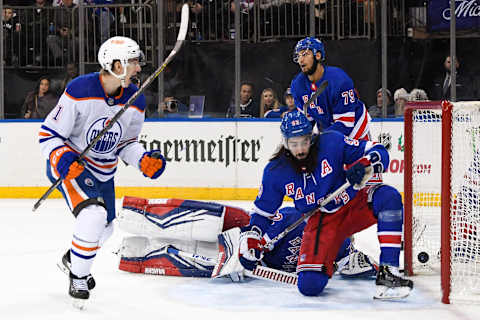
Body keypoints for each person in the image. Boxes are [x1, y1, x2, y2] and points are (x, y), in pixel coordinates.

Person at [38, 36, 166, 309]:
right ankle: (79, 276)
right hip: (74, 167)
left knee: (105, 228)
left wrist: (142, 159)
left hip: (104, 172)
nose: (137, 68)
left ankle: (74, 259)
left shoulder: (136, 100)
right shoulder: (80, 89)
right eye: (132, 62)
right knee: (93, 215)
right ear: (116, 64)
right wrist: (63, 159)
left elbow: (126, 143)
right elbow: (48, 134)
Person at [238, 111, 413, 299]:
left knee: (389, 197)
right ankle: (340, 254)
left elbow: (378, 149)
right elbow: (263, 213)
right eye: (294, 144)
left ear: (311, 137)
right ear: (285, 142)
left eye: (304, 141)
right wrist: (252, 237)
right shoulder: (275, 171)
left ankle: (389, 270)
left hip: (353, 205)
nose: (300, 150)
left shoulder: (331, 142)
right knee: (309, 285)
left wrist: (366, 163)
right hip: (322, 222)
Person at [115, 197, 377, 281]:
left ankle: (136, 256)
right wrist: (255, 245)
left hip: (247, 264)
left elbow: (357, 267)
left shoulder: (340, 253)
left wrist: (381, 268)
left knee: (200, 259)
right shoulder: (306, 218)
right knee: (226, 218)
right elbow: (274, 221)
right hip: (244, 232)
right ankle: (139, 214)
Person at [290, 37, 371, 140]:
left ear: (318, 55)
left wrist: (320, 140)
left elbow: (345, 123)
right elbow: (306, 121)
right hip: (326, 128)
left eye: (305, 54)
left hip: (355, 129)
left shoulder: (339, 80)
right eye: (298, 55)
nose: (301, 59)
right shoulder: (297, 85)